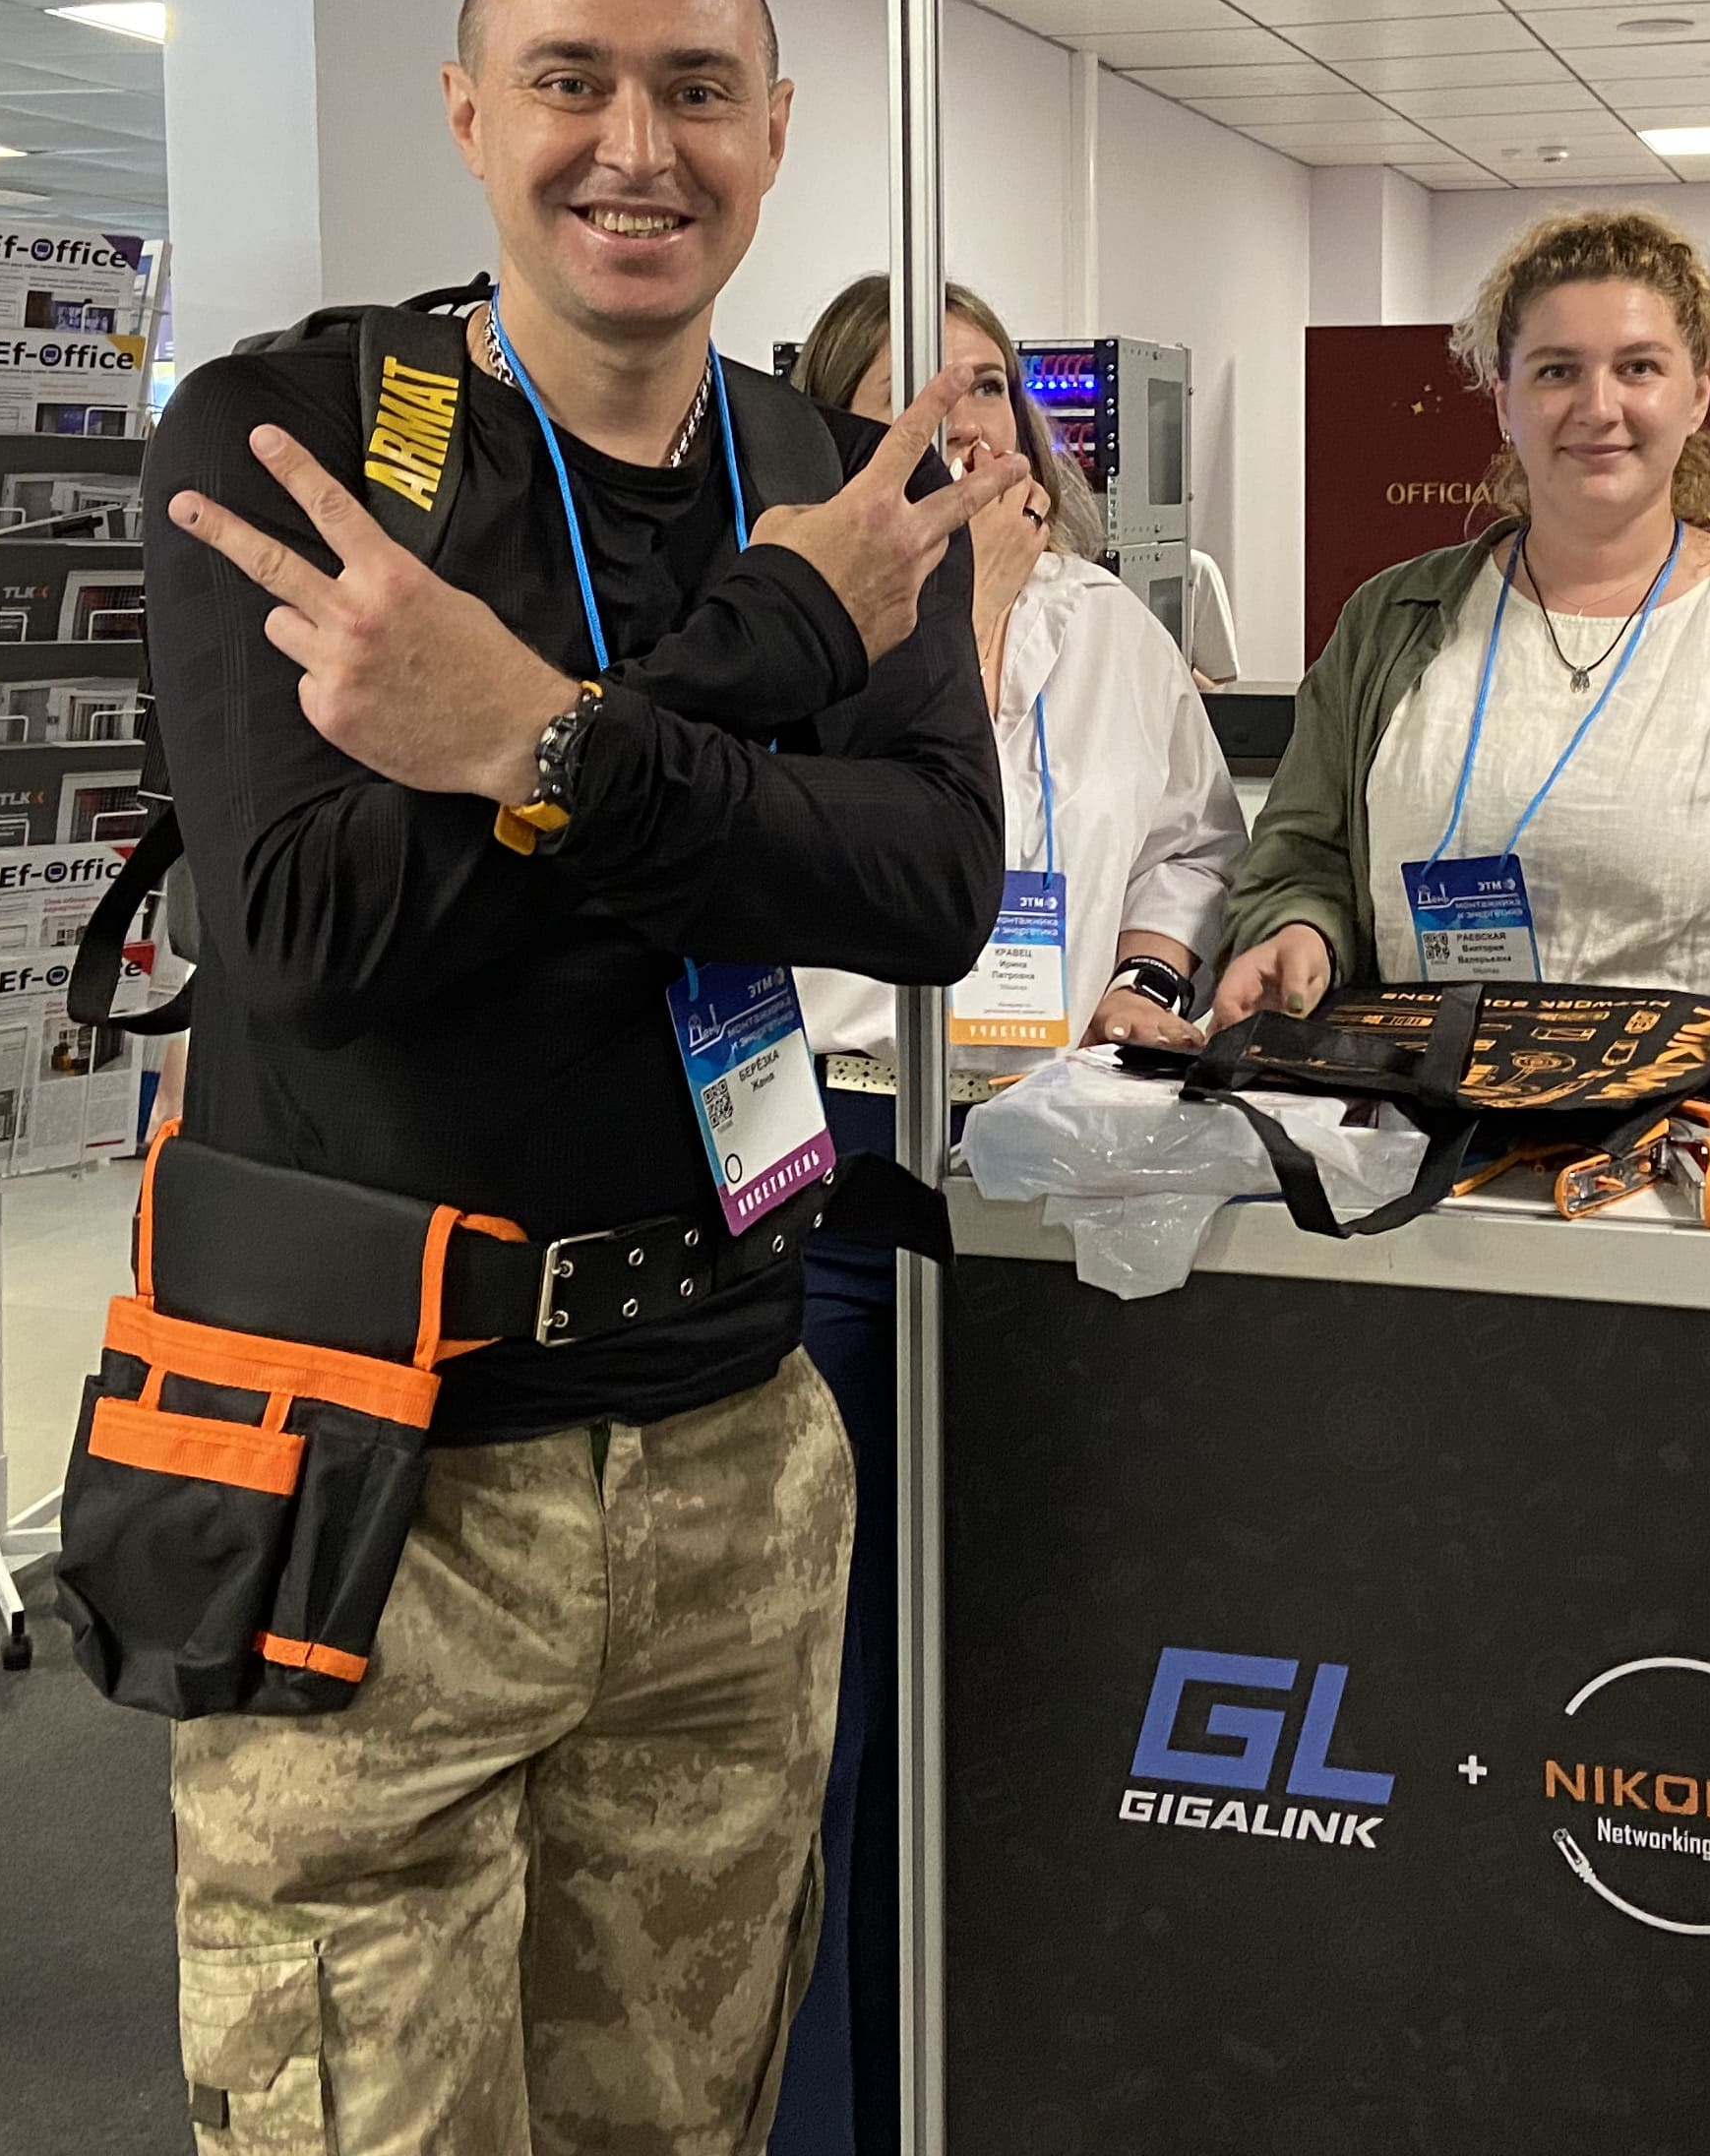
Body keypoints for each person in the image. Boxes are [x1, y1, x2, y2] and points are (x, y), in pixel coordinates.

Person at [146, 0, 1016, 2156]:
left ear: (777, 127)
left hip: (733, 1440)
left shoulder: (838, 482)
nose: (639, 146)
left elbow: (930, 882)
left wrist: (519, 746)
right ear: (467, 111)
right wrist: (760, 663)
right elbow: (315, 937)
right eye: (572, 81)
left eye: (699, 89)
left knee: (682, 2117)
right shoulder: (299, 440)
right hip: (373, 1468)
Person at [775, 270, 1247, 2156]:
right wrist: (961, 607)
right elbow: (895, 849)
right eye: (908, 397)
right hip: (847, 1157)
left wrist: (1150, 961)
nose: (961, 422)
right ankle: (829, 2108)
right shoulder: (788, 632)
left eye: (982, 385)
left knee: (1027, 1665)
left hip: (1054, 1165)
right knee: (827, 1700)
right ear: (834, 432)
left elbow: (1193, 834)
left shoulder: (1108, 620)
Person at [1215, 207, 1710, 1087]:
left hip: (1697, 1134)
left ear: (1699, 393)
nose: (1598, 407)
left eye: (1639, 368)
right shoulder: (1390, 620)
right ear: (1504, 401)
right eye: (1557, 371)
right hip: (1412, 1126)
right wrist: (1299, 932)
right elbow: (1300, 860)